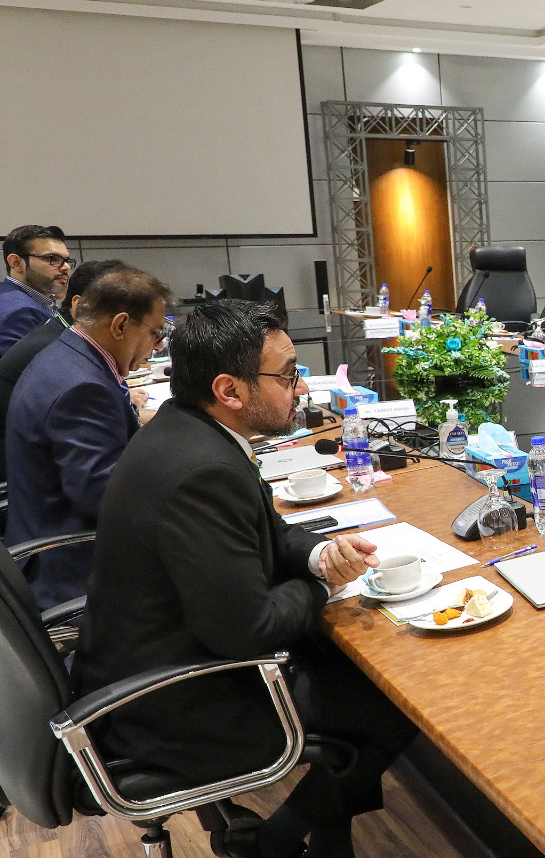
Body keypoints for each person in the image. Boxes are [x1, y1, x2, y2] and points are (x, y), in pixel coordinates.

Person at [74, 300, 418, 858]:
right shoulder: (203, 470)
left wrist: (321, 555)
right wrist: (325, 586)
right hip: (170, 704)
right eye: (287, 376)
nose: (300, 388)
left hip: (150, 659)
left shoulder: (187, 430)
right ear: (230, 390)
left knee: (349, 668)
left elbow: (266, 529)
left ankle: (324, 839)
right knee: (393, 700)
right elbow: (249, 631)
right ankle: (275, 843)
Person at [7, 264, 170, 609]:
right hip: (72, 570)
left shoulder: (68, 355)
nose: (157, 347)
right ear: (120, 325)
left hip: (48, 538)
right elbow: (103, 497)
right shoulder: (82, 388)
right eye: (156, 333)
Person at [0, 259, 133, 483]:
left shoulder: (61, 336)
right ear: (79, 306)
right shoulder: (62, 356)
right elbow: (96, 481)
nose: (122, 328)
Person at [0, 224, 70, 356]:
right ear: (16, 263)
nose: (66, 267)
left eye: (66, 260)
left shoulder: (7, 294)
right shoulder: (20, 312)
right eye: (52, 258)